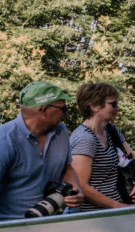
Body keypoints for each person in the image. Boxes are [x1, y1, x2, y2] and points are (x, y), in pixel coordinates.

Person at [0, 81, 82, 220]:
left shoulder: (61, 132)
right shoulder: (5, 139)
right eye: (63, 108)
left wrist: (75, 188)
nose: (66, 113)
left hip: (52, 222)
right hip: (12, 227)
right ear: (44, 109)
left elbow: (67, 168)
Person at [69, 81, 135, 211]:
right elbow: (81, 185)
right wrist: (119, 207)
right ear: (94, 106)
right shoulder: (84, 138)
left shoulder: (111, 131)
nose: (118, 108)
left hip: (116, 210)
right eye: (113, 104)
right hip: (94, 214)